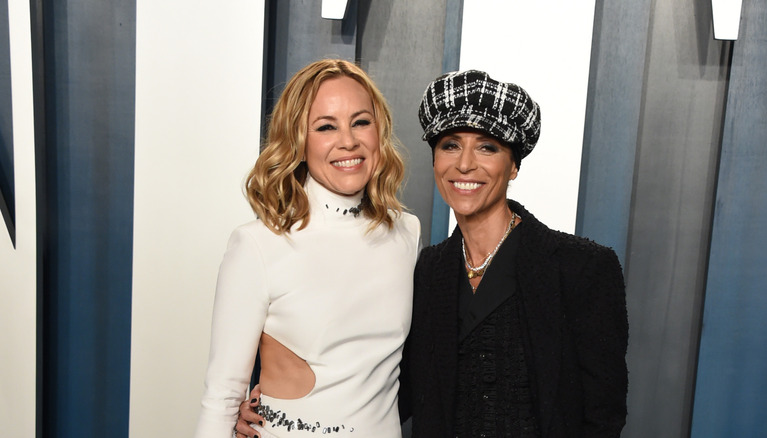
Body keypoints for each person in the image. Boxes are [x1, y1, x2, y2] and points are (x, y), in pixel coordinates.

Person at [237, 70, 628, 437]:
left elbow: (604, 416)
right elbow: (386, 385)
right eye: (450, 145)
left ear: (513, 166)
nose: (465, 164)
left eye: (487, 148)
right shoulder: (428, 270)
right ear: (436, 159)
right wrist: (271, 408)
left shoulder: (582, 268)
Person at [194, 59, 421, 438]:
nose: (348, 140)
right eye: (326, 127)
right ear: (298, 141)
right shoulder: (258, 244)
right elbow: (221, 399)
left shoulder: (405, 233)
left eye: (361, 121)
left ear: (379, 130)